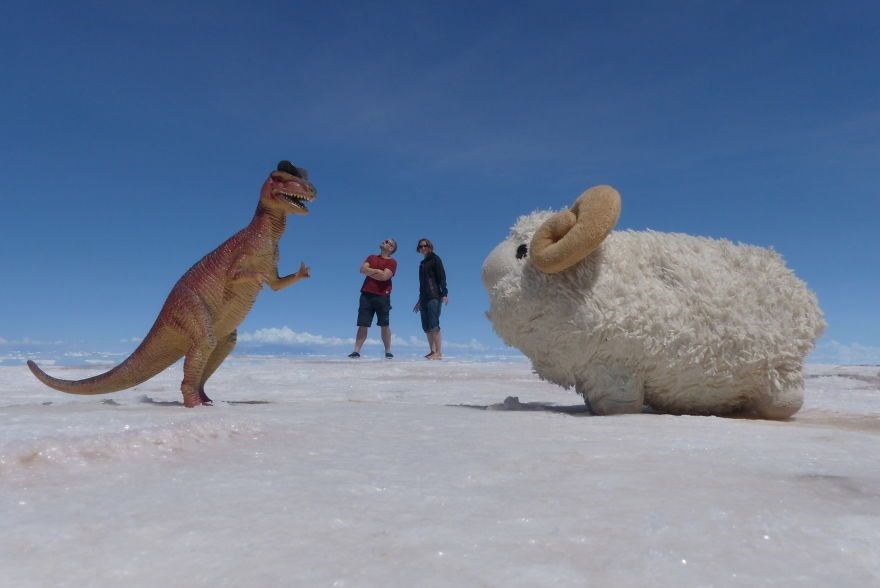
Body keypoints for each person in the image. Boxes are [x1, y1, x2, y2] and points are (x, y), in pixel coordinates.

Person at [349, 238, 398, 359]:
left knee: (384, 324)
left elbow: (385, 277)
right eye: (385, 240)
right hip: (366, 294)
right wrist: (377, 271)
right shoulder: (371, 257)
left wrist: (370, 272)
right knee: (363, 324)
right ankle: (356, 351)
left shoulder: (392, 262)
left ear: (391, 248)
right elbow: (362, 269)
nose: (384, 241)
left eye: (387, 242)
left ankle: (388, 351)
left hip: (383, 296)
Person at [413, 238, 448, 360]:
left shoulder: (435, 259)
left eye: (425, 245)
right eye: (420, 246)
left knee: (434, 324)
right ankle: (432, 351)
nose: (423, 248)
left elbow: (442, 277)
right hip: (424, 298)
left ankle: (438, 352)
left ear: (430, 246)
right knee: (426, 326)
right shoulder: (422, 263)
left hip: (434, 296)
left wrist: (444, 293)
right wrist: (419, 301)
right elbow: (422, 285)